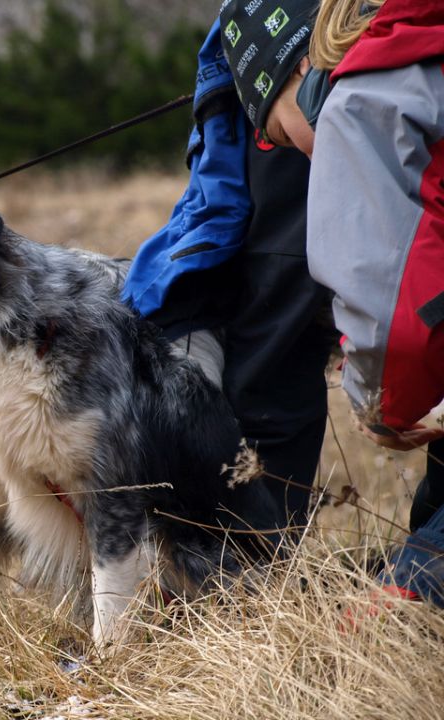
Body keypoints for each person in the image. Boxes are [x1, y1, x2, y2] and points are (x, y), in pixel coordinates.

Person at [222, 0, 444, 605]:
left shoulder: (354, 108)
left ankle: (402, 606)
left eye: (278, 133)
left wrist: (380, 405)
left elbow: (393, 314)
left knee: (406, 596)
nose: (300, 152)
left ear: (298, 73)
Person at [122, 0, 336, 538]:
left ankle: (249, 563)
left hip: (285, 191)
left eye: (275, 135)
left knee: (272, 369)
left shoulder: (314, 127)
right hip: (265, 66)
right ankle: (247, 563)